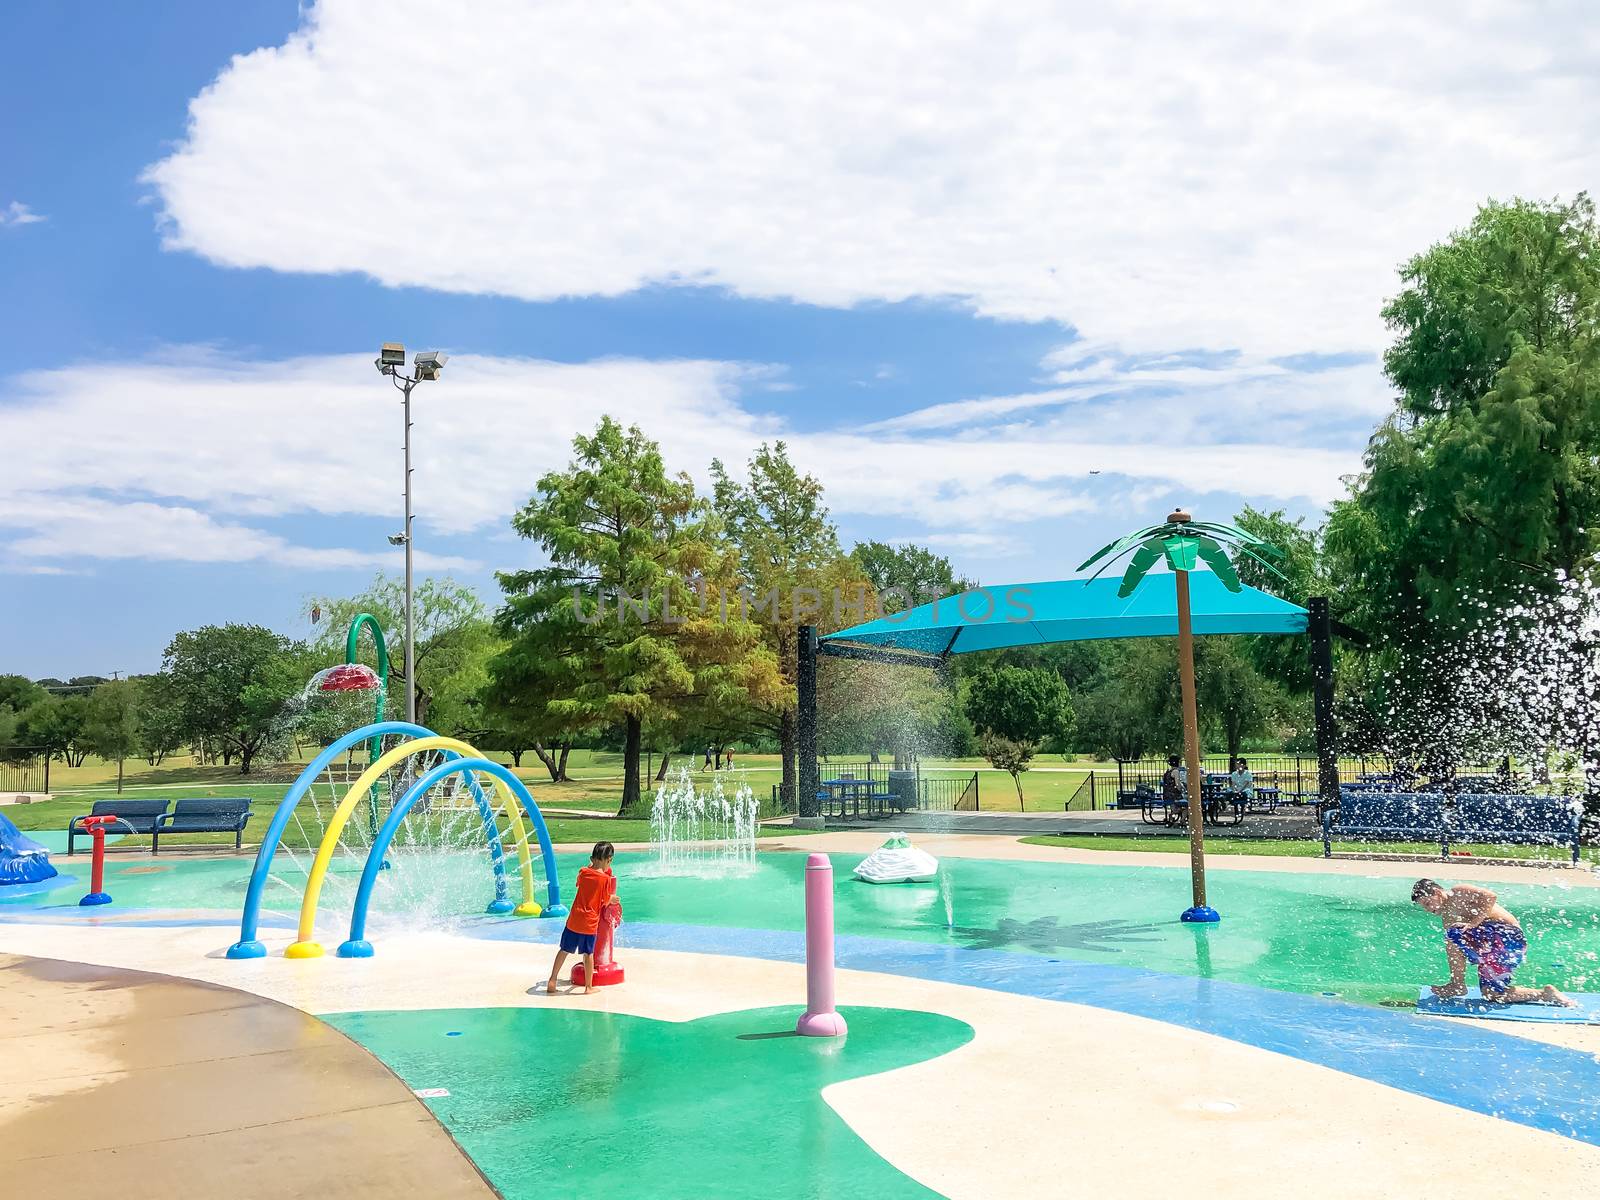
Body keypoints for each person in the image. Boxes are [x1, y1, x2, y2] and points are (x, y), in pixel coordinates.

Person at [1411, 878, 1572, 1006]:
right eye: (1424, 907)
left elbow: (1490, 896)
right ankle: (1545, 994)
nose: (1427, 909)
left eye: (1427, 902)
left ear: (1438, 892)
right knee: (1492, 994)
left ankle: (1457, 984)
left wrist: (1474, 922)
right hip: (1494, 947)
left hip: (1509, 937)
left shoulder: (1458, 892)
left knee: (1453, 932)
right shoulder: (1448, 917)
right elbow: (1454, 947)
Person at [546, 841, 620, 996]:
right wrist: (612, 898)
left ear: (592, 858)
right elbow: (603, 900)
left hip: (574, 920)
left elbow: (578, 883)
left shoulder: (583, 872)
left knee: (564, 950)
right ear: (609, 860)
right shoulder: (605, 880)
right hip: (589, 922)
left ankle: (552, 980)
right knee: (588, 954)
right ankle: (588, 987)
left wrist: (591, 866)